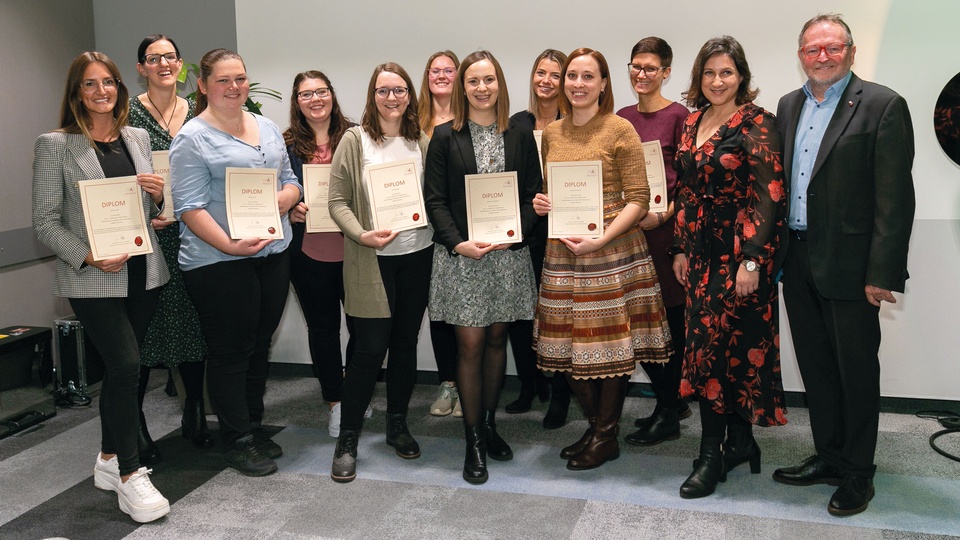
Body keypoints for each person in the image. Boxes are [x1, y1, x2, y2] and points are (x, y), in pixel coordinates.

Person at [772, 13, 915, 517]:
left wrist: (883, 272)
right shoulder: (788, 105)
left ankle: (858, 473)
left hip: (853, 266)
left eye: (833, 48)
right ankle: (830, 456)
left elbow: (895, 201)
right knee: (816, 367)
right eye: (813, 49)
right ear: (801, 54)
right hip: (798, 256)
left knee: (854, 371)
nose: (823, 56)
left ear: (850, 53)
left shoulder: (882, 105)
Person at [32, 51, 170, 522]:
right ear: (76, 92)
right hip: (92, 276)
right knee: (127, 364)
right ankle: (132, 476)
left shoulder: (135, 137)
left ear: (119, 87)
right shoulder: (55, 145)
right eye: (90, 84)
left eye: (108, 82)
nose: (101, 91)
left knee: (125, 372)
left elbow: (146, 217)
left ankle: (110, 458)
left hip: (141, 273)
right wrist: (90, 254)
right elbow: (45, 222)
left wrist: (155, 197)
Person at [532, 48, 672, 471]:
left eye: (587, 76)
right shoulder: (552, 133)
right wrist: (543, 204)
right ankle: (597, 428)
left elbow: (639, 197)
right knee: (567, 345)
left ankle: (605, 433)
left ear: (603, 83)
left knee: (611, 345)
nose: (576, 83)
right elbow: (553, 190)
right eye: (571, 76)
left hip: (612, 251)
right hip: (563, 253)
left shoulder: (620, 129)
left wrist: (602, 239)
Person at [170, 48, 302, 477]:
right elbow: (189, 207)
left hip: (272, 253)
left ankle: (253, 426)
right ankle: (237, 439)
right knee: (231, 352)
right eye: (224, 80)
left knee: (259, 344)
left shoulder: (265, 126)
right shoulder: (192, 138)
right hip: (217, 261)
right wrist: (229, 244)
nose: (234, 87)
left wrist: (279, 203)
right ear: (204, 86)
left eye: (241, 78)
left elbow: (291, 183)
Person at [672, 36, 787, 499]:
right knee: (713, 351)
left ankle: (710, 456)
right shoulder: (693, 121)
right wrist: (679, 247)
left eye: (727, 72)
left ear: (741, 77)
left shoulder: (759, 122)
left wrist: (753, 260)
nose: (717, 81)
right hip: (699, 257)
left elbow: (769, 193)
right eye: (709, 73)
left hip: (740, 259)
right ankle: (741, 444)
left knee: (720, 354)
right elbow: (684, 188)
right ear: (699, 78)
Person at [425, 50, 541, 484]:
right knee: (470, 347)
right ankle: (473, 441)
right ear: (462, 87)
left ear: (500, 84)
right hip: (464, 259)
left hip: (507, 256)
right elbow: (434, 200)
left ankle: (490, 425)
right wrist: (459, 243)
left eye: (489, 79)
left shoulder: (520, 133)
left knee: (497, 341)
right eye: (473, 81)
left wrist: (515, 232)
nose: (481, 88)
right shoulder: (443, 136)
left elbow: (533, 194)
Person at [327, 62, 433, 483]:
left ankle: (397, 424)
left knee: (405, 344)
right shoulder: (354, 140)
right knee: (369, 349)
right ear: (373, 96)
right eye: (384, 90)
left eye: (400, 90)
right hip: (370, 258)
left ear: (410, 95)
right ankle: (348, 439)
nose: (392, 98)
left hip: (416, 253)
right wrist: (362, 234)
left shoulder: (420, 140)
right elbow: (336, 201)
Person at [128, 34, 213, 461]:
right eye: (153, 58)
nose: (164, 63)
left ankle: (194, 410)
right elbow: (119, 179)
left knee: (194, 323)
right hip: (147, 238)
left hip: (196, 234)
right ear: (141, 67)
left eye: (171, 57)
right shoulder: (127, 115)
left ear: (181, 65)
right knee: (144, 332)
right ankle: (135, 422)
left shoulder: (200, 112)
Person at [615, 37, 691, 446]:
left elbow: (691, 181)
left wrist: (663, 215)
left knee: (671, 327)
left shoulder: (681, 117)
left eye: (650, 68)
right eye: (635, 66)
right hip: (629, 236)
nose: (641, 74)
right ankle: (668, 402)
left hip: (666, 234)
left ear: (666, 72)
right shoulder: (621, 118)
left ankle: (669, 410)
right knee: (641, 324)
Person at [283, 70, 357, 438]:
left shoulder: (358, 135)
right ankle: (336, 401)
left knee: (364, 329)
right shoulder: (286, 146)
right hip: (309, 253)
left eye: (321, 91)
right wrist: (289, 207)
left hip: (357, 250)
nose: (315, 99)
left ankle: (356, 393)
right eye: (305, 94)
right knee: (324, 330)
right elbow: (276, 190)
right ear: (297, 102)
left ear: (332, 94)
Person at [504, 49, 572, 430]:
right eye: (540, 73)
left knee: (556, 314)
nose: (547, 80)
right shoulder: (514, 123)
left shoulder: (574, 122)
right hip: (523, 228)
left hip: (563, 229)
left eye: (555, 74)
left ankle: (559, 393)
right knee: (521, 313)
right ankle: (529, 385)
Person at [417, 50, 463, 418]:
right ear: (427, 76)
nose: (443, 75)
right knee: (441, 312)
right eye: (436, 70)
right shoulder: (410, 121)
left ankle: (469, 384)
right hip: (418, 231)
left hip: (458, 229)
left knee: (468, 310)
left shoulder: (470, 120)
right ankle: (448, 383)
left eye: (450, 70)